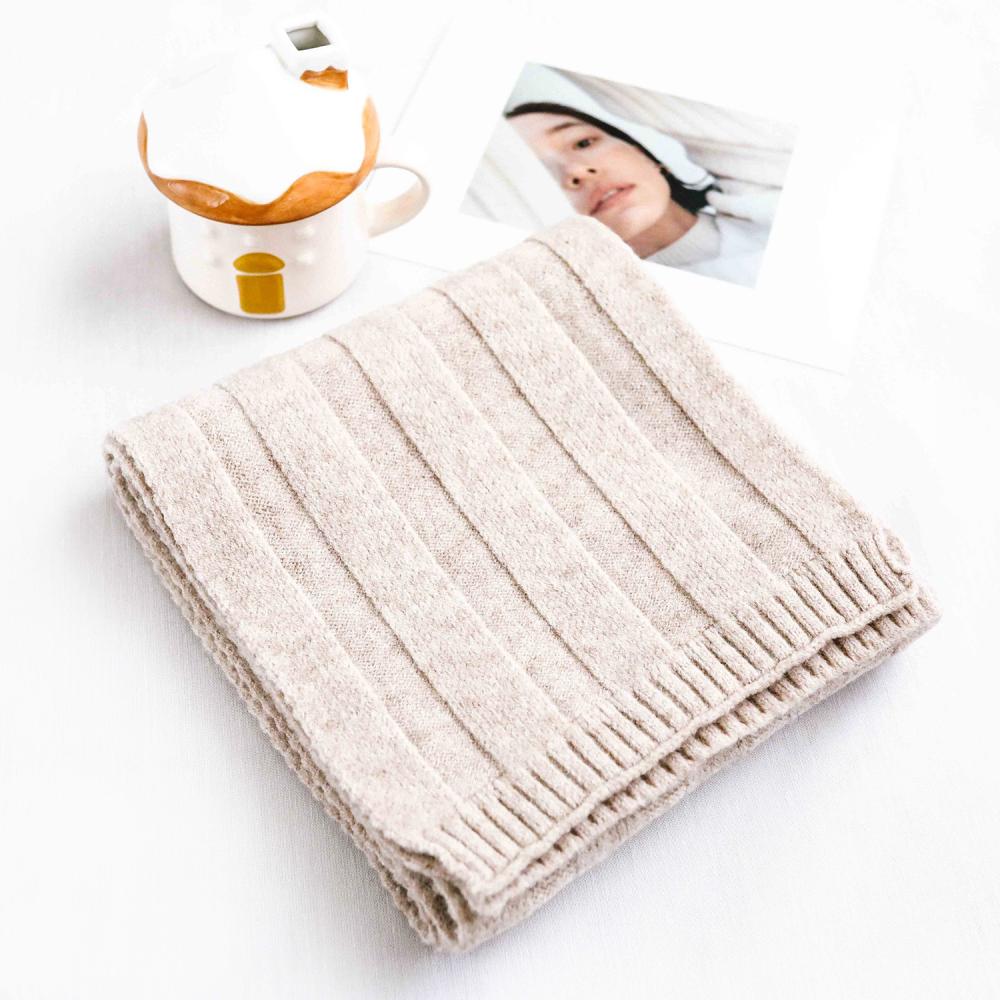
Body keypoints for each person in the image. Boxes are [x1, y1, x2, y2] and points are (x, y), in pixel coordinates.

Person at [503, 65, 776, 287]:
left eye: (583, 143)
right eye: (538, 174)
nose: (576, 171)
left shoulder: (767, 205)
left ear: (643, 153)